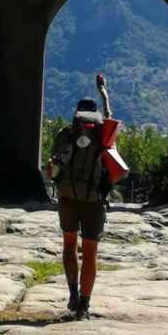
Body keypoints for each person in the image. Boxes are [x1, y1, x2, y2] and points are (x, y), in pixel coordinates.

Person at [49, 97, 112, 320]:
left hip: (67, 197)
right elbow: (114, 169)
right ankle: (84, 307)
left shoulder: (65, 133)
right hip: (94, 199)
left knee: (69, 245)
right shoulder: (105, 135)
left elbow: (51, 169)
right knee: (90, 251)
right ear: (96, 114)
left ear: (77, 112)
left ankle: (73, 294)